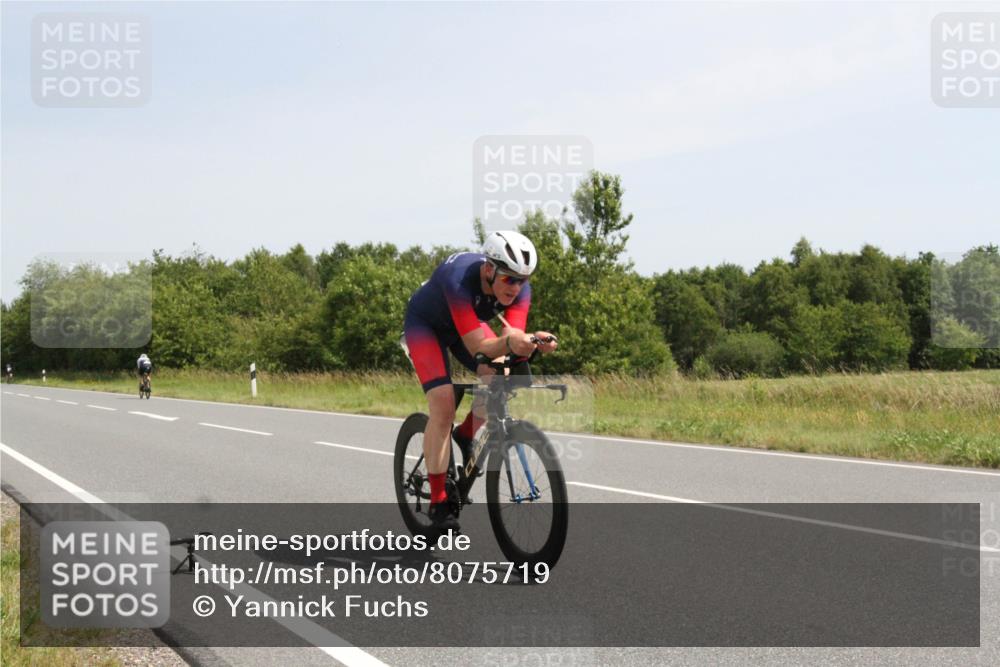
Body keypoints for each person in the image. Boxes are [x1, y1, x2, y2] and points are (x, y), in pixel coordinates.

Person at [402, 231, 557, 531]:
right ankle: (439, 501)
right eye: (508, 279)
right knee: (443, 405)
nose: (515, 287)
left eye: (522, 280)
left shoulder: (520, 290)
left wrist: (532, 341)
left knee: (500, 375)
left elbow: (511, 338)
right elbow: (478, 347)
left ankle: (466, 433)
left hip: (466, 327)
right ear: (488, 269)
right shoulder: (458, 279)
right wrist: (514, 343)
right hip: (426, 326)